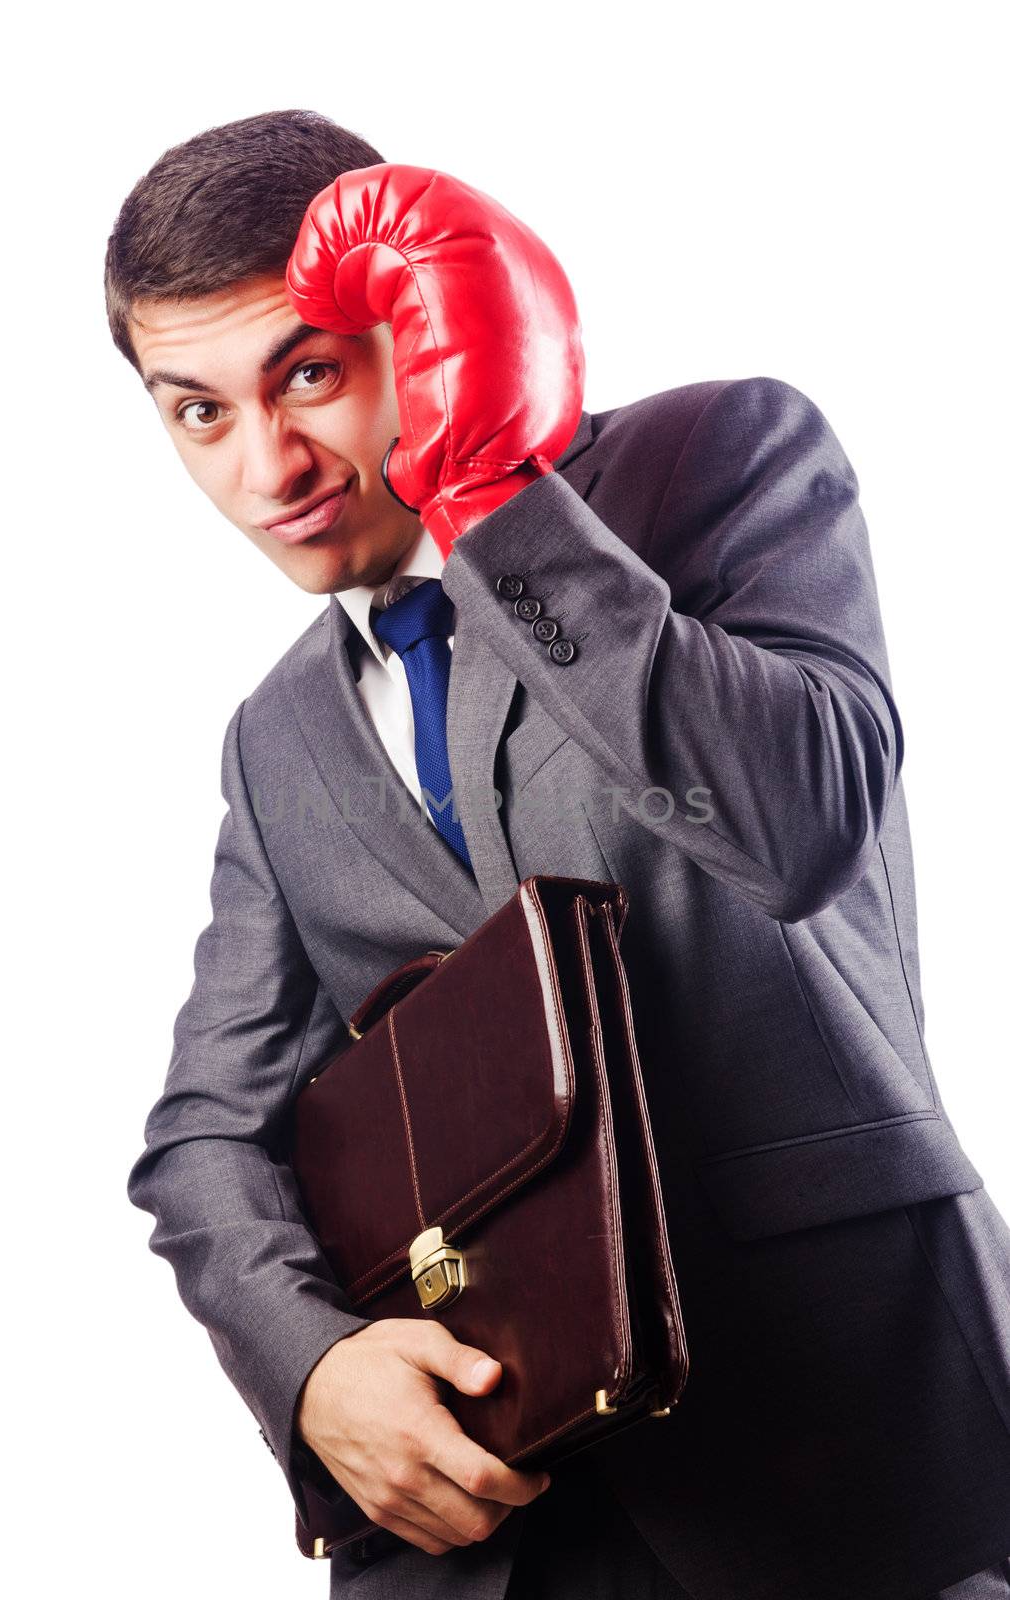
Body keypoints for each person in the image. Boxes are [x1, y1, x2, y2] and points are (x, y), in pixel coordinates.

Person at [113, 109, 1010, 1600]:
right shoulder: (272, 742)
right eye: (197, 411)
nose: (269, 467)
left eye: (311, 375)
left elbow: (799, 828)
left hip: (842, 1460)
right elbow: (204, 1131)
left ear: (418, 317)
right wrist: (317, 1371)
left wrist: (494, 506)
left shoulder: (719, 458)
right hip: (497, 1521)